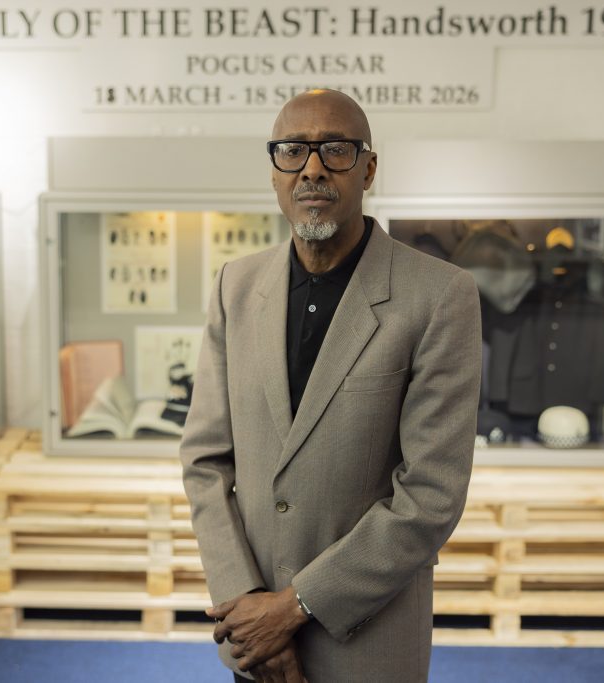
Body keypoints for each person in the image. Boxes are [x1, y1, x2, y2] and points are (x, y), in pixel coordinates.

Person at [180, 89, 482, 682]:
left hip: (366, 642)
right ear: (274, 171)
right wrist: (248, 607)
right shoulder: (235, 286)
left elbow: (431, 495)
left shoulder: (439, 295)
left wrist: (290, 610)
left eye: (336, 150)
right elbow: (204, 460)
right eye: (293, 150)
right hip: (253, 641)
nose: (312, 168)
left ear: (368, 168)